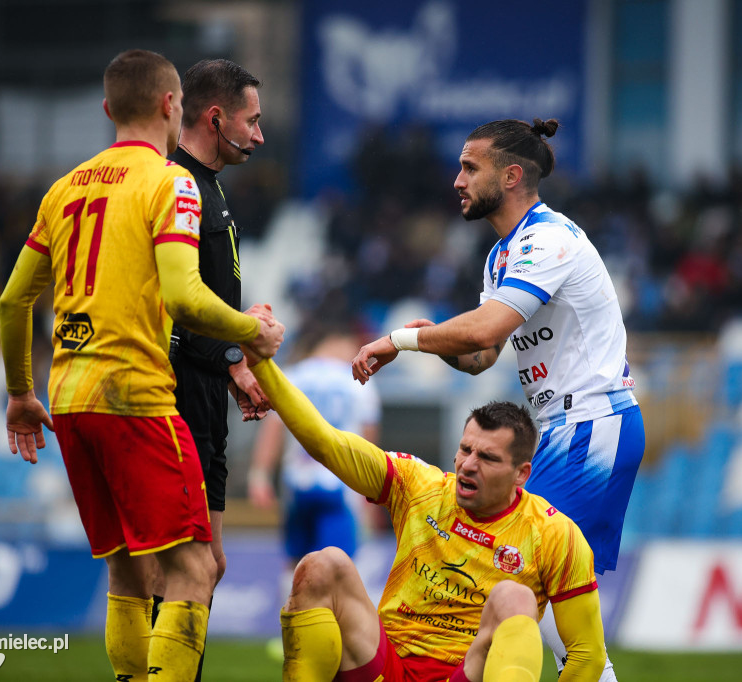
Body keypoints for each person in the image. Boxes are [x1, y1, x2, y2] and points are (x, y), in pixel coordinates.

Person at [0, 49, 284, 682]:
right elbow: (183, 298)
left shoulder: (64, 187)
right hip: (137, 397)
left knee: (128, 568)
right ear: (170, 105)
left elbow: (13, 300)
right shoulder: (171, 182)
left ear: (106, 110)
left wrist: (20, 393)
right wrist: (250, 335)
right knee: (195, 569)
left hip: (70, 399)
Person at [352, 118, 643, 679]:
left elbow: (485, 331)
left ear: (511, 176)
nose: (457, 181)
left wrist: (401, 339)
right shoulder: (501, 255)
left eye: (469, 167)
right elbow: (482, 355)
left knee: (525, 588)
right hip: (567, 427)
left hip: (589, 428)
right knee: (553, 611)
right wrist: (435, 345)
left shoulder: (547, 239)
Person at [242, 341, 607, 681]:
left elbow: (586, 654)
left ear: (521, 474)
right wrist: (261, 365)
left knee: (515, 598)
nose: (468, 465)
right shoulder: (419, 486)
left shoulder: (554, 533)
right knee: (322, 565)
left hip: (465, 671)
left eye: (488, 458)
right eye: (466, 450)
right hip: (389, 665)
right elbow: (327, 443)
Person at [150, 58, 269, 678]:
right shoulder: (175, 182)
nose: (259, 134)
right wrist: (234, 351)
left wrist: (232, 361)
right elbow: (176, 308)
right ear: (215, 116)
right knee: (179, 566)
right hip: (175, 393)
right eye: (251, 121)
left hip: (205, 389)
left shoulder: (210, 184)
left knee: (206, 564)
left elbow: (207, 304)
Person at [248, 327, 381, 568]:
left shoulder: (292, 375)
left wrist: (260, 474)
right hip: (341, 484)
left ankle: (291, 604)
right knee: (340, 568)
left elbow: (273, 429)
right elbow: (369, 442)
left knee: (296, 563)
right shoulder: (358, 380)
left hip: (298, 481)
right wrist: (372, 495)